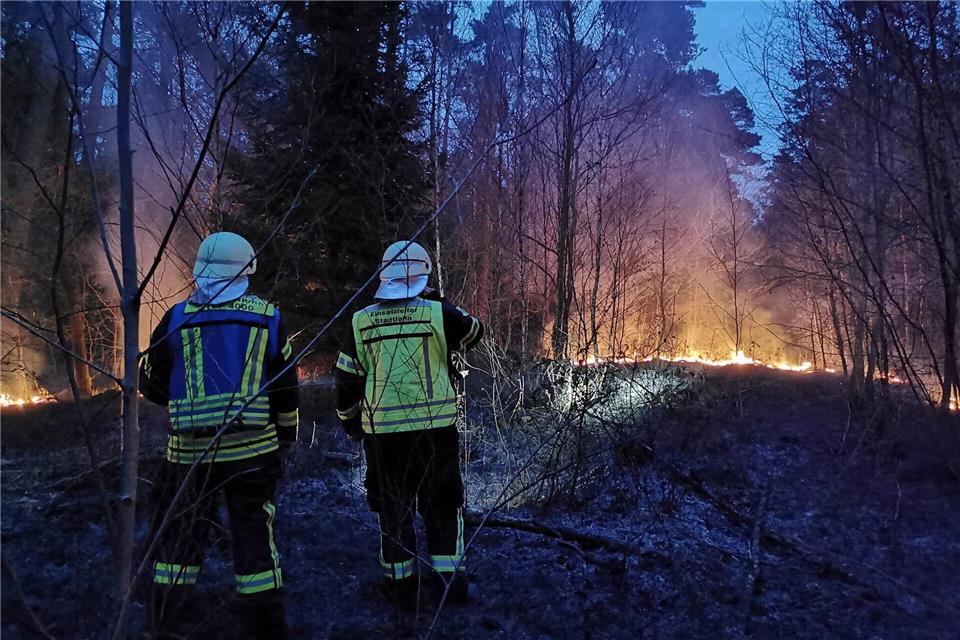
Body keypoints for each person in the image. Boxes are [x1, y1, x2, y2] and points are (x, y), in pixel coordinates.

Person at [140, 231, 299, 639]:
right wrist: (286, 437)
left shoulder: (176, 318)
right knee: (252, 531)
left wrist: (183, 402)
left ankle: (168, 616)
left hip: (189, 455)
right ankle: (264, 622)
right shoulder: (267, 317)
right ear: (246, 269)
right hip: (253, 452)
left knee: (180, 532)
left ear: (202, 271)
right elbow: (285, 387)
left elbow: (152, 383)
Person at [335, 240, 484, 610]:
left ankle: (401, 593)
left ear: (384, 275)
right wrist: (442, 301)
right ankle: (450, 588)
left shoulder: (361, 320)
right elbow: (475, 331)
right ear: (425, 276)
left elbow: (346, 380)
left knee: (393, 512)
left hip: (383, 439)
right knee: (443, 508)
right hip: (436, 434)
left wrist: (352, 423)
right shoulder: (438, 313)